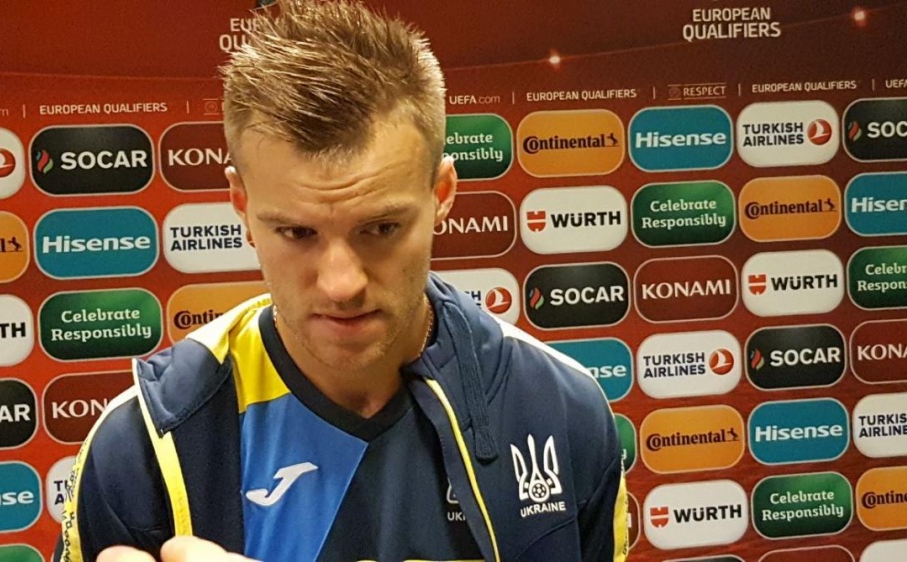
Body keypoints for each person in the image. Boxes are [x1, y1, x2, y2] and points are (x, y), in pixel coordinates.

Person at [56, 1, 627, 561]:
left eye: (380, 228)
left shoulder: (561, 410)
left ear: (442, 194)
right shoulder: (144, 444)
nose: (341, 284)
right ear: (241, 205)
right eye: (297, 232)